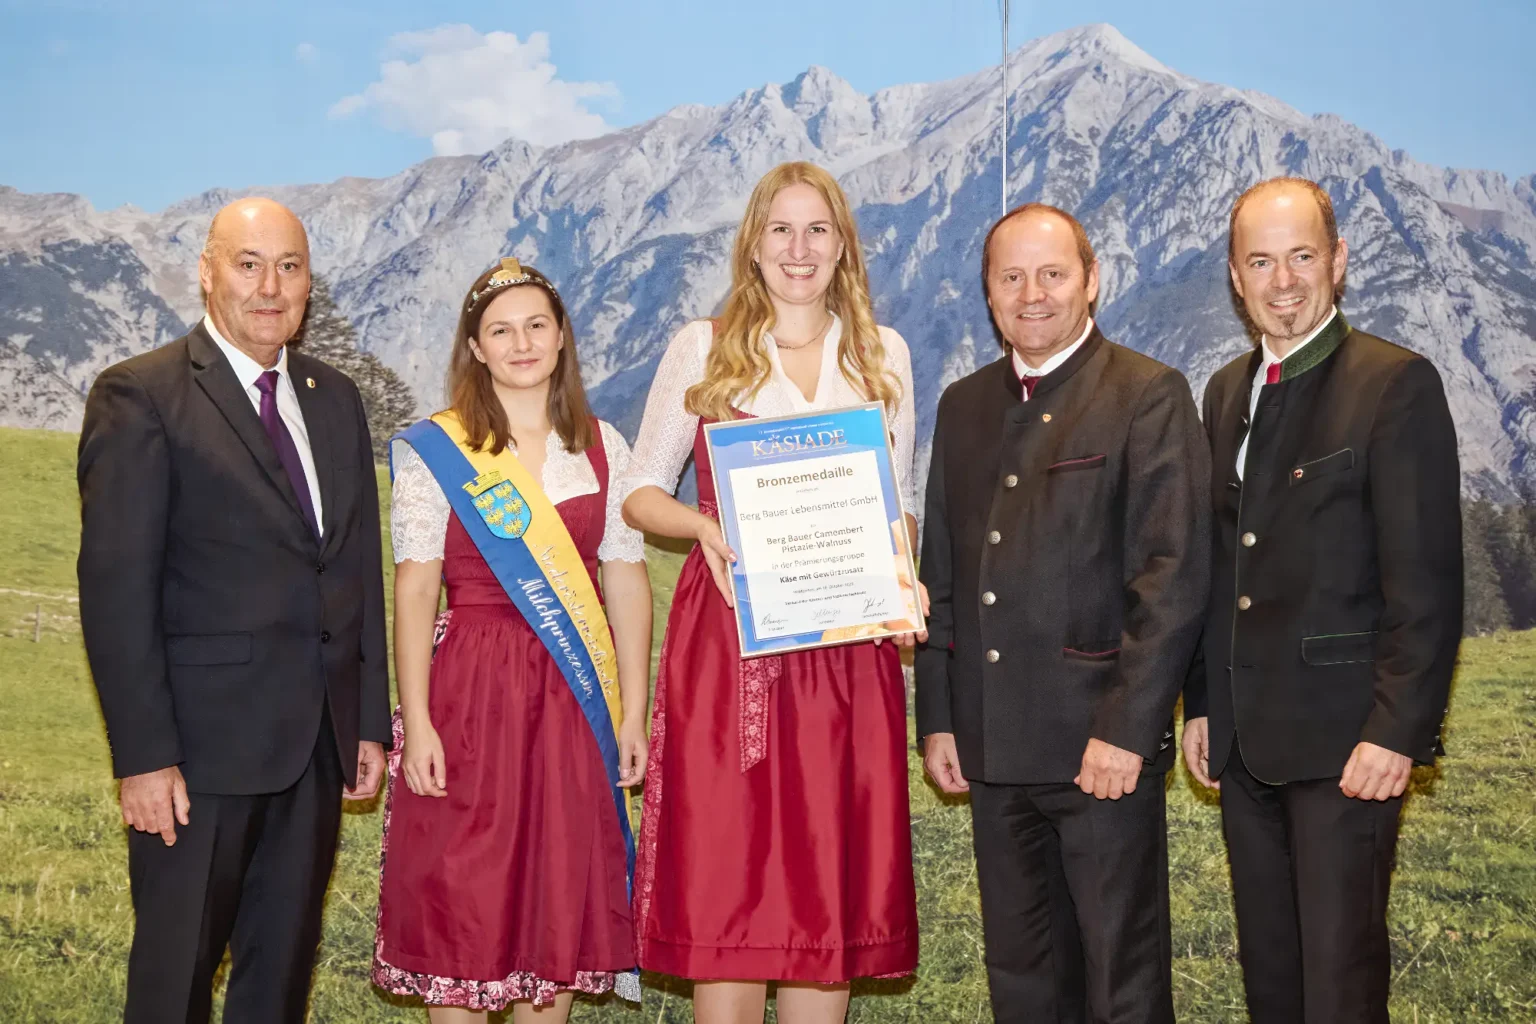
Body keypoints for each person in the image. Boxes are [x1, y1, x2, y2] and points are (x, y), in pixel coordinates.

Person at [76, 197, 392, 1024]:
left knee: (278, 982)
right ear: (207, 272)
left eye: (289, 267)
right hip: (196, 761)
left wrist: (365, 723)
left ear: (309, 285)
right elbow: (116, 587)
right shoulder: (140, 395)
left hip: (316, 752)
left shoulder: (336, 400)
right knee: (174, 982)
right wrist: (143, 758)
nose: (269, 286)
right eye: (248, 263)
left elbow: (356, 567)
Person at [621, 161, 921, 1023]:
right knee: (732, 884)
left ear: (843, 247)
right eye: (781, 229)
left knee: (822, 890)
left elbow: (892, 505)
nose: (799, 248)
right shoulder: (704, 345)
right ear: (753, 244)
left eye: (817, 230)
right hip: (730, 655)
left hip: (843, 653)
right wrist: (702, 526)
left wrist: (908, 582)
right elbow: (640, 489)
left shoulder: (880, 353)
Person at [916, 203, 1210, 1024]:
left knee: (1122, 980)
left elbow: (1173, 577)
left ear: (1092, 281)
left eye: (1052, 274)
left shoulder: (1148, 393)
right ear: (988, 292)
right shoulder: (964, 405)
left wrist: (1126, 729)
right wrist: (940, 718)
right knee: (1021, 979)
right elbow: (941, 574)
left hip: (1098, 752)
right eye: (1011, 277)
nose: (1032, 294)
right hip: (991, 748)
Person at [1181, 177, 1462, 1024]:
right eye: (1261, 261)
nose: (1284, 280)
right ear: (1235, 276)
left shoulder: (1395, 384)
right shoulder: (1224, 392)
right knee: (1271, 980)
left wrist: (1396, 731)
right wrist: (1202, 705)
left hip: (1350, 750)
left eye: (1302, 256)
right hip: (1243, 747)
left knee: (1339, 987)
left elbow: (1427, 584)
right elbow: (1219, 567)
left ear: (1338, 262)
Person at [371, 259, 653, 1023]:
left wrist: (631, 713)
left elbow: (624, 580)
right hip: (470, 690)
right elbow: (416, 587)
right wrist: (417, 719)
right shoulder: (440, 450)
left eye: (536, 325)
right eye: (501, 330)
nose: (521, 342)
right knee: (461, 893)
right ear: (476, 346)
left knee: (553, 898)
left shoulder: (602, 445)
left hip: (573, 699)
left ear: (561, 338)